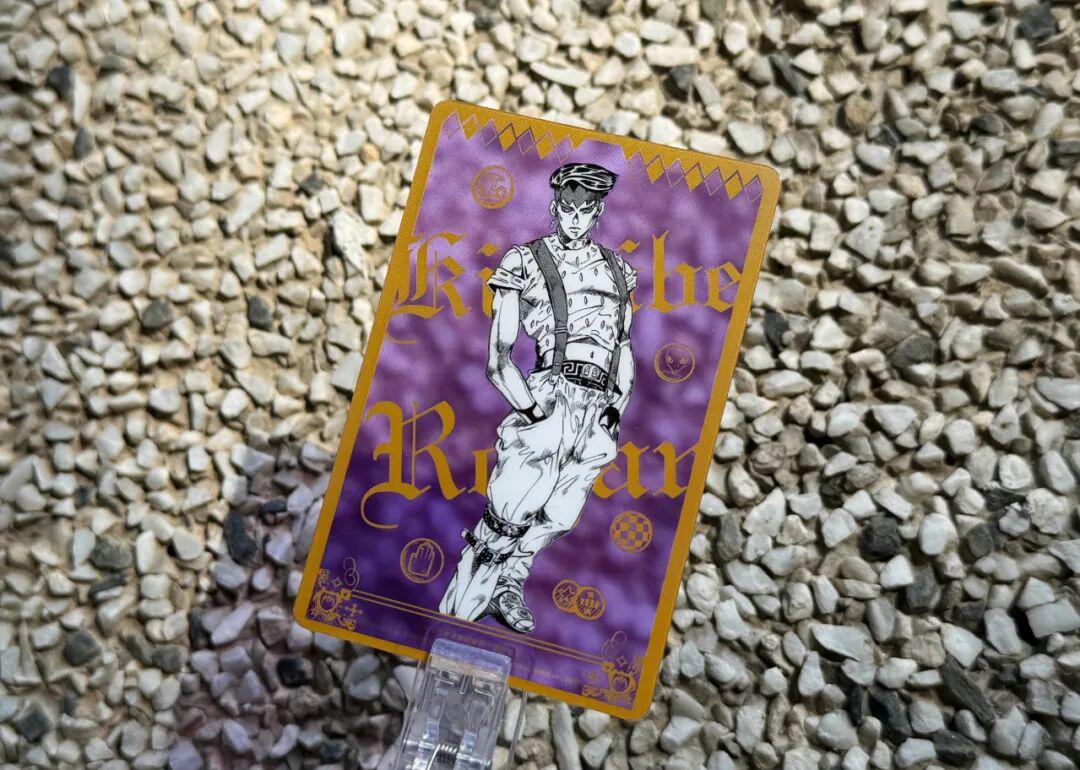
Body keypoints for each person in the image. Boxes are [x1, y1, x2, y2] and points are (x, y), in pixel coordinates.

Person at [438, 162, 636, 634]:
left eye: (584, 210)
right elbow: (499, 354)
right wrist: (530, 409)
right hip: (550, 394)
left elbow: (623, 343)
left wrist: (615, 408)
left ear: (597, 212)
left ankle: (508, 585)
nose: (574, 219)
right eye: (566, 208)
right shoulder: (524, 260)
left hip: (598, 409)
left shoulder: (619, 270)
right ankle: (453, 619)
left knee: (559, 516)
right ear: (554, 207)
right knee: (506, 518)